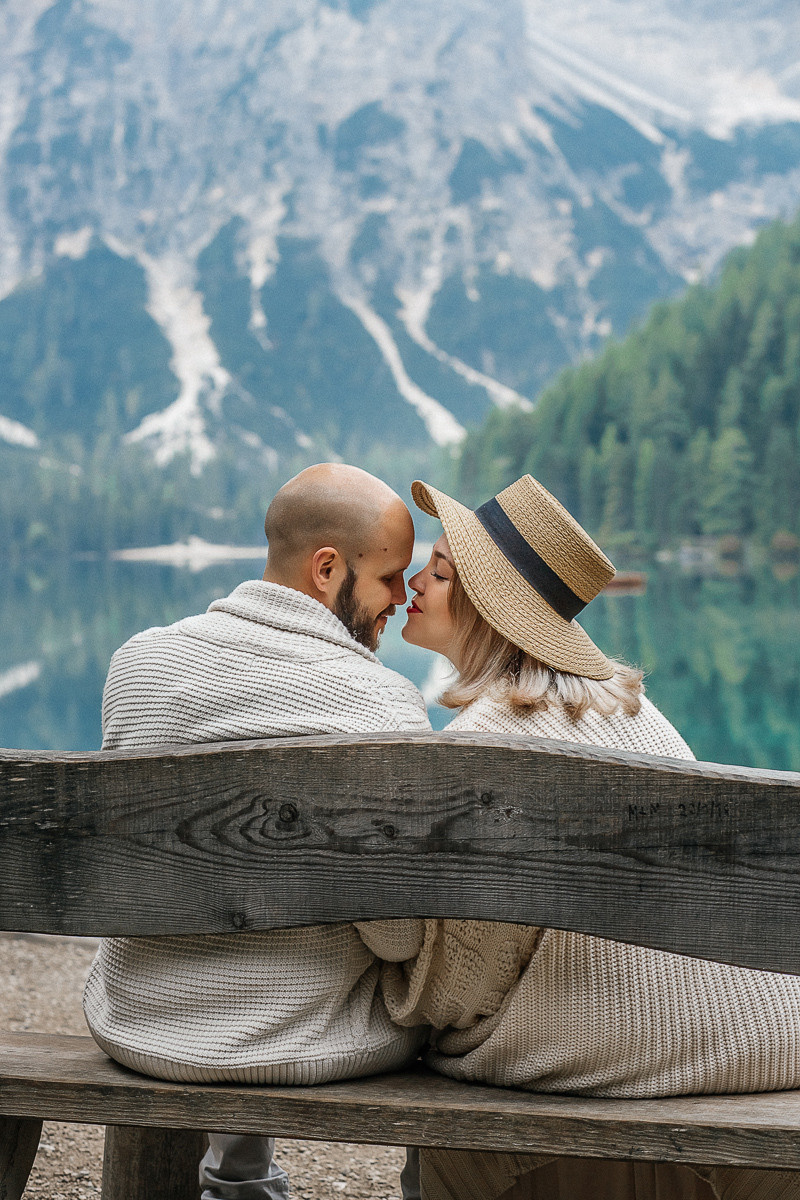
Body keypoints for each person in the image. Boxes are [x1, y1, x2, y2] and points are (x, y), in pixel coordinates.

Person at [358, 473, 800, 1200]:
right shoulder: (632, 709)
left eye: (438, 572)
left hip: (626, 1082)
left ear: (488, 607)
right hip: (766, 1056)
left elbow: (457, 992)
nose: (414, 581)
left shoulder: (485, 741)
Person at [83, 463, 431, 1200]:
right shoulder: (383, 705)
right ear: (327, 567)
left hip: (141, 1020)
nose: (401, 601)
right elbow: (398, 939)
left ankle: (238, 1182)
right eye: (392, 578)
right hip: (302, 1039)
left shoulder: (136, 665)